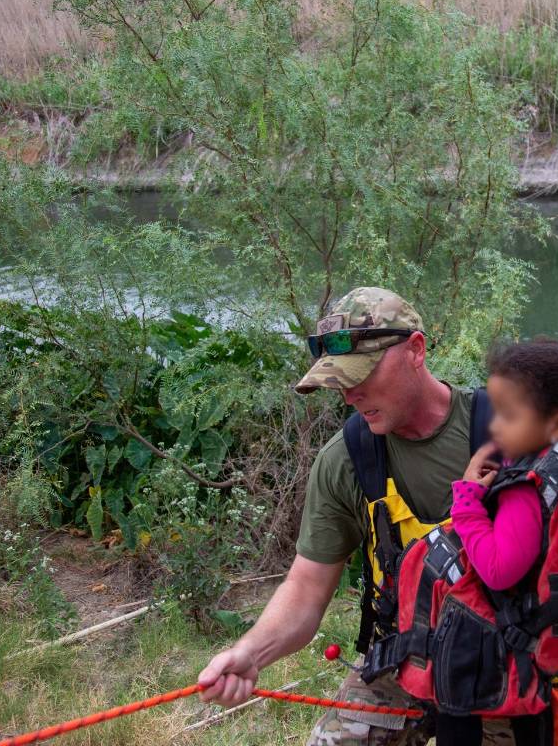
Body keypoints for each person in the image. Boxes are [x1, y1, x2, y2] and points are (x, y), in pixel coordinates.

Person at [197, 287, 520, 745]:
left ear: (416, 350)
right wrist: (251, 652)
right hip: (404, 656)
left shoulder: (506, 431)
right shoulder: (345, 461)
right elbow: (306, 588)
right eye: (341, 382)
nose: (350, 396)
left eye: (362, 375)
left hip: (505, 666)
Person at [434, 340, 558, 745]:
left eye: (509, 416)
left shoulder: (526, 491)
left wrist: (467, 501)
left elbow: (498, 571)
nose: (493, 428)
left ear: (557, 424)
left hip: (517, 650)